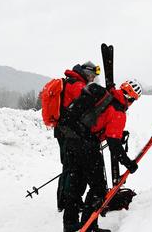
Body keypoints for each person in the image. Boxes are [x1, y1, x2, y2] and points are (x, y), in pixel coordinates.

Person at [59, 78, 142, 232]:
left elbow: (98, 122)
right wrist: (128, 163)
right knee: (98, 189)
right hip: (87, 147)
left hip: (71, 141)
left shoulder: (106, 95)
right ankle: (89, 227)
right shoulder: (118, 111)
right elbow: (114, 145)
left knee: (76, 185)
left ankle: (69, 225)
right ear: (130, 99)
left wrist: (115, 134)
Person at [54, 62, 100, 212]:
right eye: (92, 76)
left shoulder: (71, 82)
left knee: (68, 166)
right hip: (68, 132)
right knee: (71, 167)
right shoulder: (77, 86)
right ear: (87, 73)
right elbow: (83, 109)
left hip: (64, 130)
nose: (93, 79)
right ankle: (67, 202)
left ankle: (66, 201)